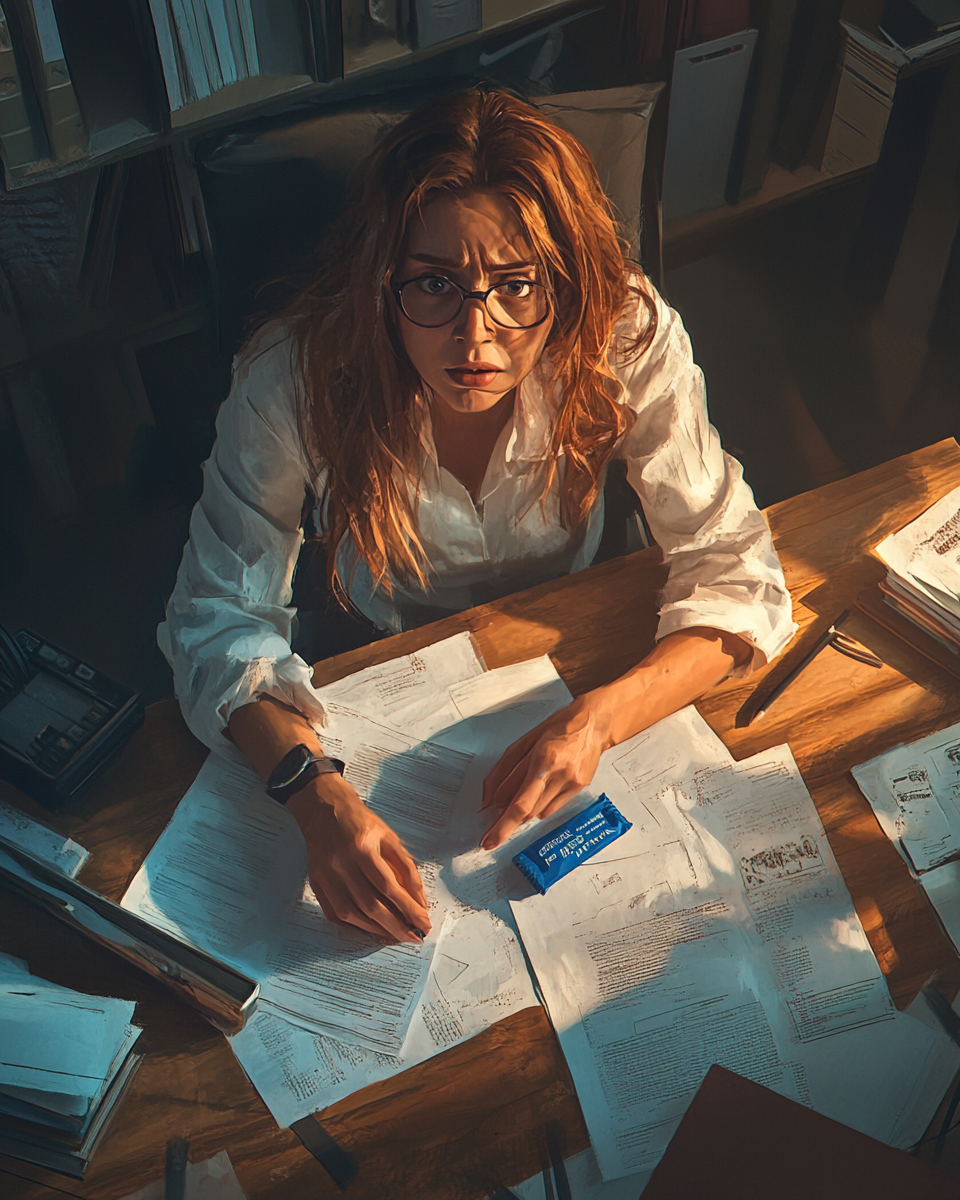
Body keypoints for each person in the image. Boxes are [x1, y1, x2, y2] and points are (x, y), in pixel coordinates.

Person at [158, 87, 796, 947]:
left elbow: (737, 572)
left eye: (516, 285)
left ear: (564, 282)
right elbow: (214, 618)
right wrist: (312, 795)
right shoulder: (294, 376)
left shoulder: (621, 334)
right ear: (381, 278)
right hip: (375, 652)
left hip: (568, 635)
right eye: (433, 284)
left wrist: (599, 718)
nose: (476, 337)